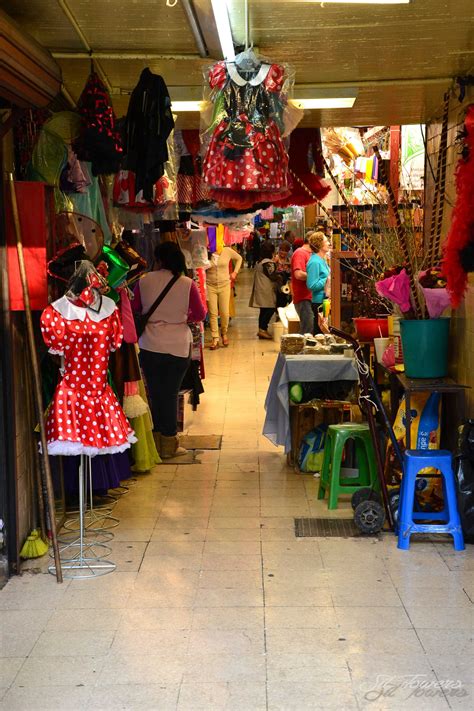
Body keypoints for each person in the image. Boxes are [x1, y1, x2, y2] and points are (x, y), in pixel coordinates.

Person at [133, 241, 206, 459]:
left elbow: (135, 309)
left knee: (154, 394)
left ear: (160, 259)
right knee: (170, 394)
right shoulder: (186, 284)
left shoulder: (144, 281)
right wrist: (182, 317)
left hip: (150, 345)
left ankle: (155, 443)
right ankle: (169, 443)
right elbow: (200, 314)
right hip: (177, 346)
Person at [206, 244, 242, 349]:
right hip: (210, 285)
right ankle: (215, 338)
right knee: (212, 312)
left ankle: (224, 333)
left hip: (224, 285)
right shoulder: (206, 251)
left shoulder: (227, 250)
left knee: (224, 312)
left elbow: (239, 258)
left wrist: (235, 272)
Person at [249, 241, 281, 339]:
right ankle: (263, 329)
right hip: (266, 289)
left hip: (261, 288)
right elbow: (273, 276)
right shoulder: (268, 263)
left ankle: (262, 329)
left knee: (263, 310)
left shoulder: (260, 261)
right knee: (270, 308)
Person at [306, 231, 331, 335]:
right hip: (319, 302)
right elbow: (311, 285)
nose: (329, 243)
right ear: (319, 245)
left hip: (325, 301)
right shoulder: (314, 262)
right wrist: (326, 280)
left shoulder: (321, 260)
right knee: (320, 330)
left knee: (325, 328)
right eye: (326, 241)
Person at [290, 235, 314, 334]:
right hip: (303, 298)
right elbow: (298, 274)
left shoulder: (311, 254)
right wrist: (316, 276)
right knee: (307, 329)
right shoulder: (300, 253)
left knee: (309, 328)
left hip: (310, 297)